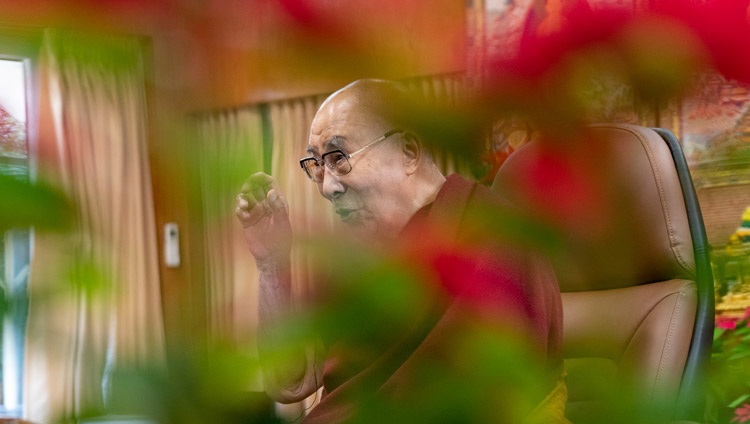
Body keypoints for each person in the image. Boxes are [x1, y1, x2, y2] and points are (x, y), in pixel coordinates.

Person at [235, 79, 566, 423]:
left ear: (408, 151)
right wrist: (271, 264)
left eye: (338, 158)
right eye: (317, 165)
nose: (327, 187)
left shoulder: (494, 238)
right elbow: (290, 383)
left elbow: (498, 402)